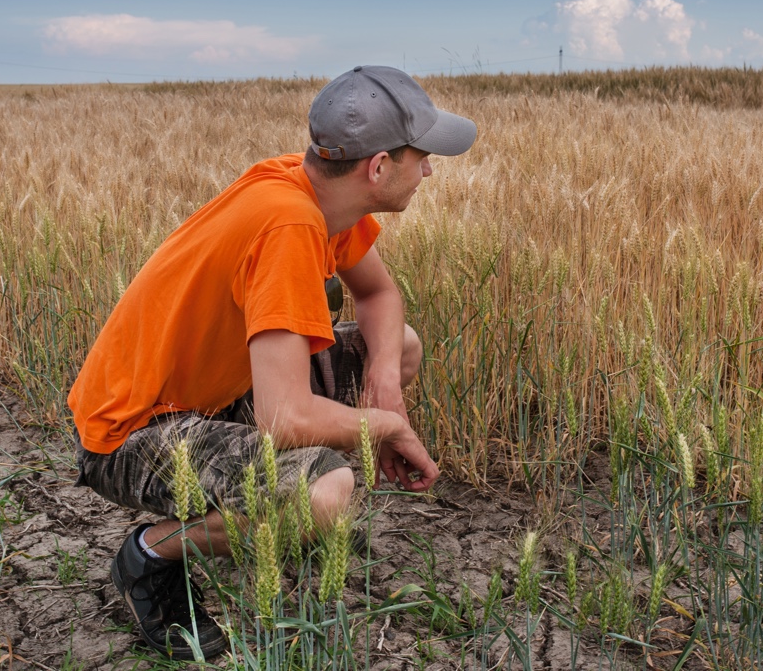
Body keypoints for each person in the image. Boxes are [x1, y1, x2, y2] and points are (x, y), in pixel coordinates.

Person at [67, 65, 477, 659]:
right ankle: (151, 556)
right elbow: (281, 418)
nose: (431, 169)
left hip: (217, 395)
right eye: (423, 156)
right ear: (379, 167)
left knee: (401, 345)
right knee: (326, 494)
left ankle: (267, 507)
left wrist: (385, 385)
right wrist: (387, 428)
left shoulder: (316, 187)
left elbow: (379, 297)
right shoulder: (289, 225)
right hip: (131, 430)